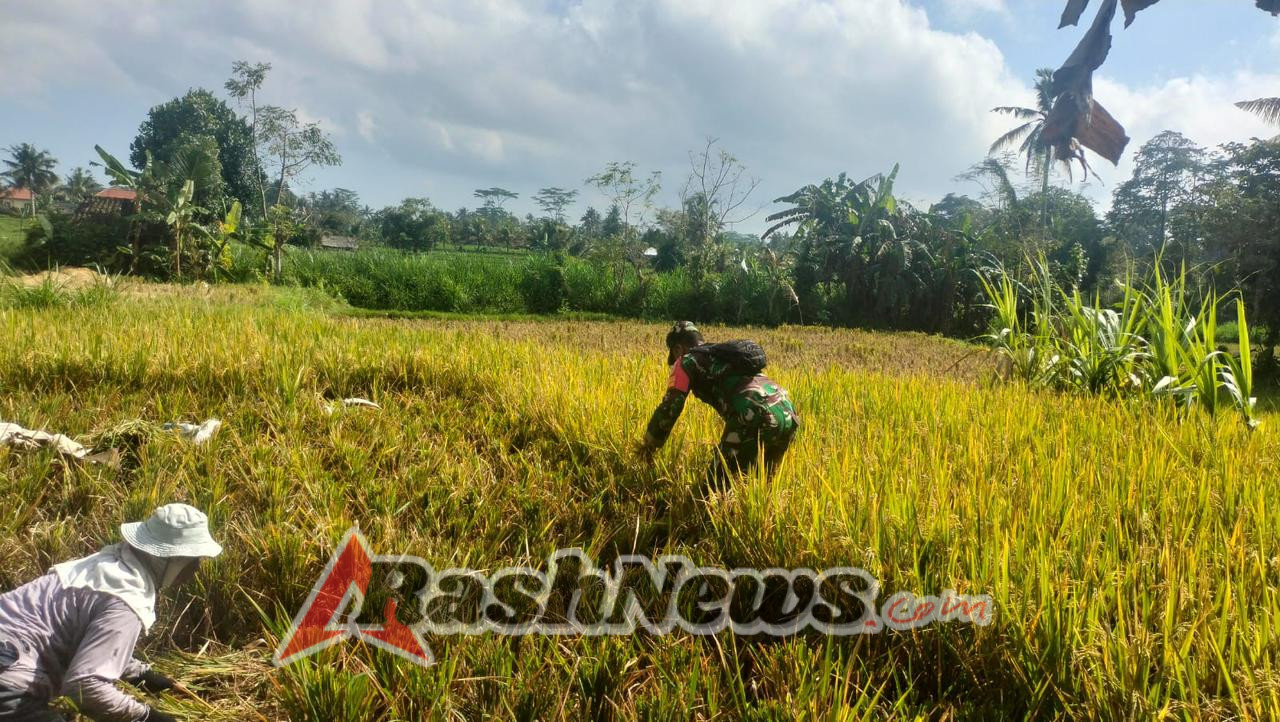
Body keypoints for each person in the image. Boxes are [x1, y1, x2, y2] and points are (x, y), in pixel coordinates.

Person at [0, 504, 224, 722]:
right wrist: (146, 716)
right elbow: (84, 686)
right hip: (8, 676)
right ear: (170, 561)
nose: (194, 569)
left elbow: (90, 640)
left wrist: (143, 675)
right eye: (192, 561)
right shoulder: (125, 601)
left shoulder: (103, 566)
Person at [640, 321, 800, 488]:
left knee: (715, 489)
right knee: (758, 486)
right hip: (788, 413)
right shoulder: (723, 354)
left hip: (752, 415)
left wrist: (649, 445)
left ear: (678, 349)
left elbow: (671, 407)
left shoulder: (686, 361)